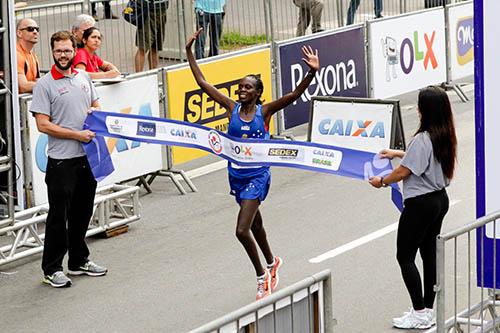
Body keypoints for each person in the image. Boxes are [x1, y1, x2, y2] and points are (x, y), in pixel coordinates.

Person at [186, 28, 320, 300]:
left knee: (241, 229)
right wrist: (189, 52)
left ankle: (261, 275)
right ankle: (273, 262)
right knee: (256, 225)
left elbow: (293, 96)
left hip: (258, 176)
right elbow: (202, 82)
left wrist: (312, 73)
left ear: (258, 93)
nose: (242, 90)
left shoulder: (265, 111)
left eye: (248, 87)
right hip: (236, 175)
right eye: (241, 86)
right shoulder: (230, 107)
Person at [368, 86, 457, 329]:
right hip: (439, 199)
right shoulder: (444, 134)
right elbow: (420, 157)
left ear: (424, 110)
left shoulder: (423, 138)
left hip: (420, 203)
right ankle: (427, 309)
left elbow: (403, 171)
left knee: (405, 256)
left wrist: (382, 181)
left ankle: (418, 312)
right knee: (429, 255)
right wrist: (397, 152)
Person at [30, 31, 108, 288]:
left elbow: (96, 103)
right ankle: (52, 268)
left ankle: (78, 260)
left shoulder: (84, 77)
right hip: (62, 161)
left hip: (86, 157)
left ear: (75, 50)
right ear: (52, 52)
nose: (63, 55)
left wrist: (95, 110)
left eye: (67, 50)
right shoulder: (45, 84)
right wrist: (77, 134)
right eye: (58, 51)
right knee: (58, 217)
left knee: (83, 212)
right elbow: (43, 125)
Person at [134, 0, 169, 72]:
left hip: (162, 9)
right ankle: (138, 77)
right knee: (143, 48)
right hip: (148, 10)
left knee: (155, 48)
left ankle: (153, 76)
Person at [16, 19, 40, 93]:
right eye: (30, 29)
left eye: (37, 29)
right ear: (19, 33)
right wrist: (49, 85)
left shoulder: (33, 56)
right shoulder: (16, 54)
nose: (35, 32)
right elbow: (23, 86)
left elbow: (37, 80)